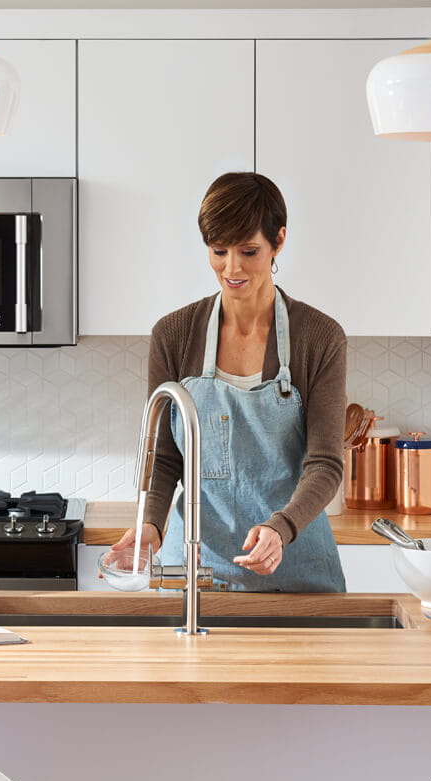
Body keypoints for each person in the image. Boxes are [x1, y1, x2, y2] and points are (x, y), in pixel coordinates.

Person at [111, 172, 347, 592]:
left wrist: (281, 527)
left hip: (294, 571)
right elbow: (164, 459)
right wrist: (150, 526)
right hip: (195, 575)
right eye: (218, 251)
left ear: (279, 240)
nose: (231, 268)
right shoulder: (174, 334)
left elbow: (326, 464)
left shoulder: (319, 337)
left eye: (249, 251)